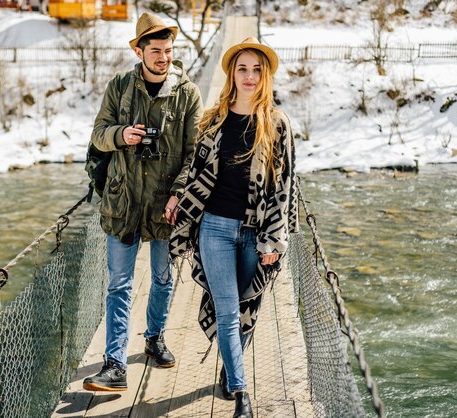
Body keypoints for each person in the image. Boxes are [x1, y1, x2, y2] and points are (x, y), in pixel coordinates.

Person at [168, 37, 298, 418]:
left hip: (256, 233)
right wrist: (178, 196)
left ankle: (231, 366)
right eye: (242, 68)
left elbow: (284, 188)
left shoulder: (276, 124)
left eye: (257, 69)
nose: (250, 76)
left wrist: (274, 238)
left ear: (266, 75)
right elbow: (192, 171)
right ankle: (242, 394)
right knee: (227, 311)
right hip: (214, 228)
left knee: (246, 308)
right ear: (231, 73)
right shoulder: (213, 121)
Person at [82, 12, 203, 392]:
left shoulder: (188, 93)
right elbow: (99, 135)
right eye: (155, 51)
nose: (163, 58)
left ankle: (154, 337)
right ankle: (115, 363)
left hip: (166, 203)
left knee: (163, 279)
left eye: (168, 51)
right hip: (123, 202)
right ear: (138, 51)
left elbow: (194, 152)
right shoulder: (119, 86)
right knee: (119, 284)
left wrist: (178, 193)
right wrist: (123, 135)